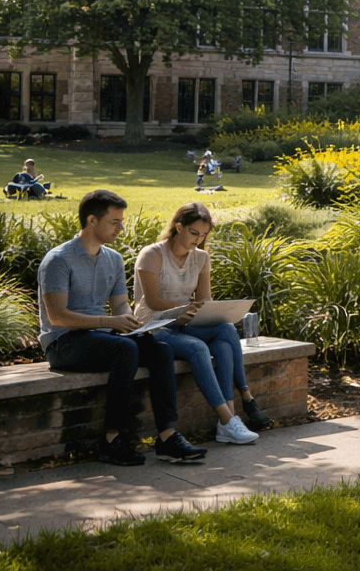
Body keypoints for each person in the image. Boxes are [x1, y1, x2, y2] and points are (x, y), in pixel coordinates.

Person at [38, 189, 208, 466]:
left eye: (121, 221)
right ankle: (111, 440)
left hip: (100, 336)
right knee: (125, 350)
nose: (121, 227)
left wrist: (132, 325)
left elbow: (120, 307)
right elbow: (57, 317)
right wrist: (111, 323)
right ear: (92, 221)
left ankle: (167, 437)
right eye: (114, 222)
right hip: (64, 342)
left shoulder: (113, 259)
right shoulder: (58, 260)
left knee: (159, 349)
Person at [134, 202, 270, 444]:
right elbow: (153, 302)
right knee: (199, 348)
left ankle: (235, 410)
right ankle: (230, 418)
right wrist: (185, 309)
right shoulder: (152, 254)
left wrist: (207, 311)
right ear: (178, 226)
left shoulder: (201, 258)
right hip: (154, 326)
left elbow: (204, 299)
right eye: (194, 233)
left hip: (185, 322)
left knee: (226, 333)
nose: (198, 240)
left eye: (204, 235)